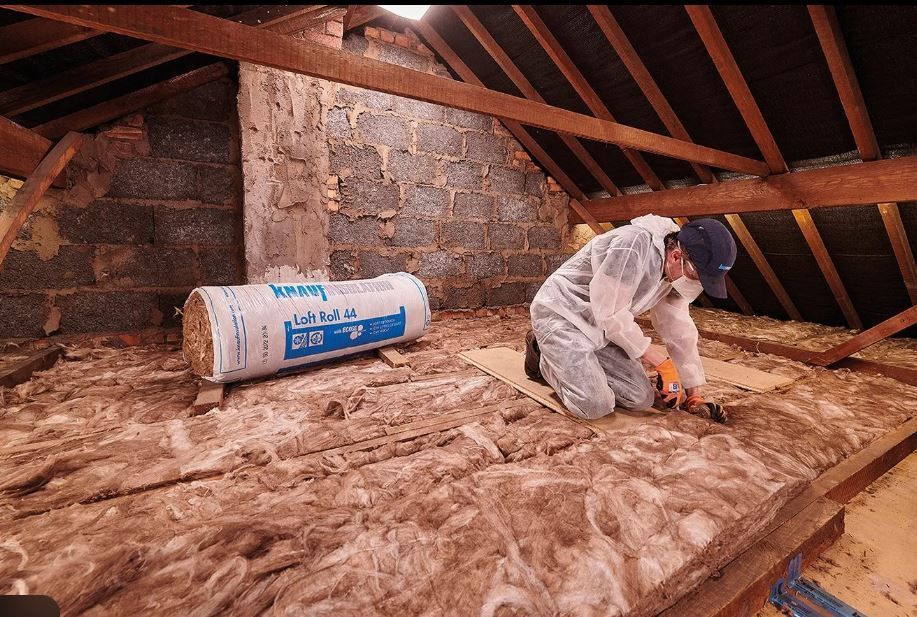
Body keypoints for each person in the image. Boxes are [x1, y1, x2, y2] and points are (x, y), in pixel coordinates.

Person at [525, 214, 735, 423]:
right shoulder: (632, 246)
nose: (695, 284)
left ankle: (575, 362)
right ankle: (542, 353)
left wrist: (693, 396)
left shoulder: (673, 272)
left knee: (640, 398)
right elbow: (610, 312)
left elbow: (679, 330)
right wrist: (661, 363)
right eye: (696, 276)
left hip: (601, 329)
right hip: (562, 315)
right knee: (595, 405)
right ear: (676, 256)